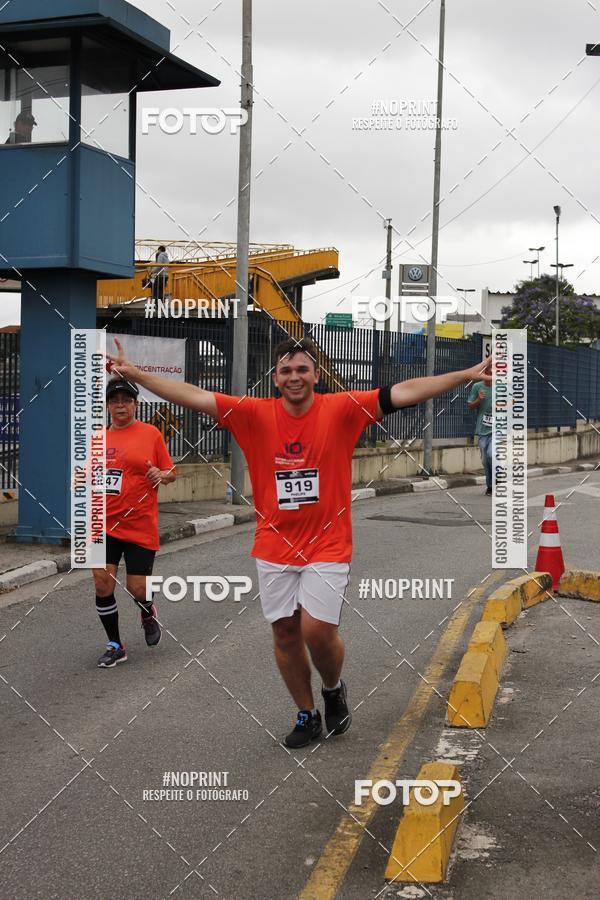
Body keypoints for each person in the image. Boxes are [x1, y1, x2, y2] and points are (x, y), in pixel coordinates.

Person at [107, 336, 491, 744]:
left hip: (328, 545)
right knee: (286, 633)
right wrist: (136, 375)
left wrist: (466, 375)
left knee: (317, 630)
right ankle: (306, 714)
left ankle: (332, 688)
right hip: (274, 547)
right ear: (275, 378)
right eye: (286, 370)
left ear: (316, 375)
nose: (294, 376)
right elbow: (193, 396)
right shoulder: (252, 414)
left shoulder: (343, 409)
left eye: (302, 369)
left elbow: (406, 390)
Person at [92, 377, 176, 668]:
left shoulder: (150, 434)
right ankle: (115, 644)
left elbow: (170, 472)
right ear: (107, 406)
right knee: (102, 582)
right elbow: (89, 477)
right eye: (114, 401)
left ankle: (147, 611)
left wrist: (161, 476)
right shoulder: (97, 440)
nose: (120, 406)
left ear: (135, 404)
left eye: (126, 400)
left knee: (137, 588)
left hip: (139, 524)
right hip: (103, 524)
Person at [468, 376, 493, 494]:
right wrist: (479, 399)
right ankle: (490, 486)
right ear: (484, 374)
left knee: (491, 454)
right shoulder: (477, 387)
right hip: (482, 429)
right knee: (484, 460)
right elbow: (470, 406)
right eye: (489, 373)